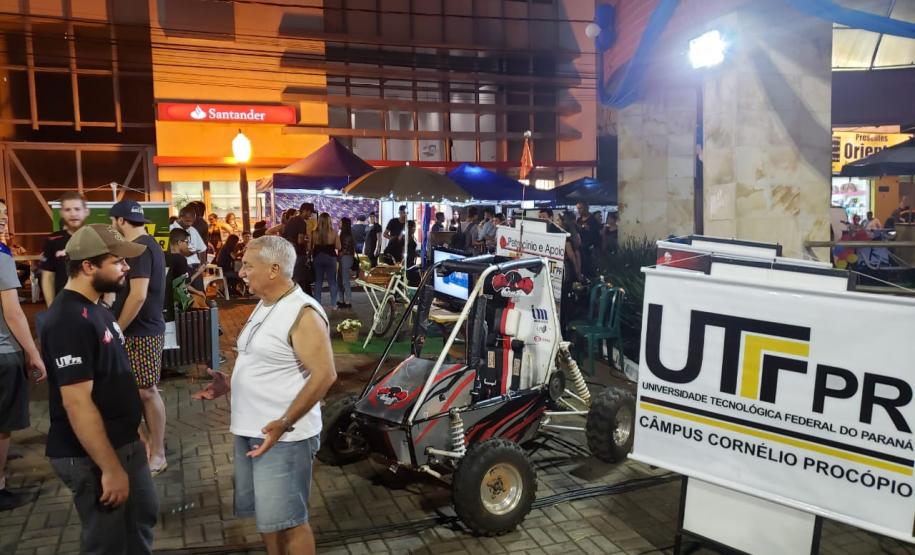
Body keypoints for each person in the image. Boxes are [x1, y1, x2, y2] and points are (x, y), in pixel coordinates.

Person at [192, 236, 336, 555]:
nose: (241, 272)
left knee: (290, 522)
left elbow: (325, 374)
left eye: (247, 265)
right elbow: (269, 362)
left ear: (274, 269)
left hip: (283, 438)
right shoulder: (267, 303)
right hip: (253, 432)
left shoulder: (303, 312)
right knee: (267, 519)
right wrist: (227, 383)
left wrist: (284, 423)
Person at [41, 224, 158, 553]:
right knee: (108, 542)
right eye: (117, 261)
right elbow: (76, 403)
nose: (126, 268)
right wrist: (110, 468)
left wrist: (137, 433)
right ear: (88, 266)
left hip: (123, 441)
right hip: (91, 454)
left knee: (141, 519)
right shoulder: (68, 320)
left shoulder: (97, 309)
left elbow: (115, 380)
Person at [109, 201, 169, 477]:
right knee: (132, 392)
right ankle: (147, 447)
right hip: (136, 329)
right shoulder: (140, 247)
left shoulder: (140, 248)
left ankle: (158, 453)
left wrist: (118, 329)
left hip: (141, 330)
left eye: (113, 222)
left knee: (146, 390)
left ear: (120, 221)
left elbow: (139, 294)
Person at [0, 199, 47, 511]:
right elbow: (14, 312)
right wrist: (33, 352)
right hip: (3, 351)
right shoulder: (1, 254)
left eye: (4, 214)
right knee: (3, 424)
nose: (4, 221)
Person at [41, 192, 90, 306]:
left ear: (86, 211)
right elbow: (48, 277)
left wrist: (107, 306)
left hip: (93, 306)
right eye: (68, 210)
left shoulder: (97, 237)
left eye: (77, 209)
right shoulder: (53, 240)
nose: (73, 213)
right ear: (61, 213)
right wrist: (51, 308)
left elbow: (108, 274)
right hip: (63, 305)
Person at [165, 228, 204, 317]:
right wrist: (199, 272)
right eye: (186, 242)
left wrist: (197, 291)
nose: (188, 245)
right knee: (203, 307)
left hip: (166, 299)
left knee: (199, 298)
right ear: (179, 242)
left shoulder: (164, 255)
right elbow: (184, 284)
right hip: (179, 302)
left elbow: (177, 281)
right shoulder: (180, 259)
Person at [171, 205, 208, 292]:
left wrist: (202, 265)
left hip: (195, 267)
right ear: (180, 217)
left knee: (200, 295)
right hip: (181, 267)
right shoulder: (171, 230)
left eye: (192, 221)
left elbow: (202, 248)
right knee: (183, 295)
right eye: (187, 221)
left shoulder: (192, 230)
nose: (189, 224)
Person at [311, 213, 340, 309]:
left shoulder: (314, 232)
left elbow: (310, 247)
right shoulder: (333, 232)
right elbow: (338, 247)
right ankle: (334, 304)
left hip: (317, 257)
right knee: (332, 282)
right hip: (330, 257)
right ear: (329, 221)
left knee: (318, 281)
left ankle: (317, 305)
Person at [576, 202, 600, 278]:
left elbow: (597, 234)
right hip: (581, 249)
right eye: (578, 209)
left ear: (586, 208)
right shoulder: (579, 220)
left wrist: (588, 229)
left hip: (591, 249)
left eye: (580, 208)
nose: (579, 210)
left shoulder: (593, 219)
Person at [337, 217, 355, 309]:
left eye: (340, 222)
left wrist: (339, 253)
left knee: (344, 280)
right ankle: (342, 300)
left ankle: (348, 301)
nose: (338, 223)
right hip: (346, 258)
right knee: (341, 280)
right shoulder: (347, 234)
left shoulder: (345, 235)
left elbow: (344, 249)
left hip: (345, 258)